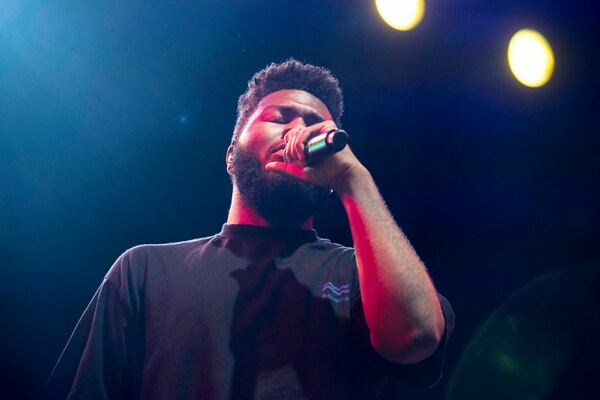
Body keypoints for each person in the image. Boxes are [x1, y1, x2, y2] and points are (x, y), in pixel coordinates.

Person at [44, 59, 454, 399]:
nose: (298, 131)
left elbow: (415, 335)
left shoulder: (357, 277)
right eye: (280, 118)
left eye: (314, 124)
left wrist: (355, 181)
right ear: (231, 154)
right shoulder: (145, 271)